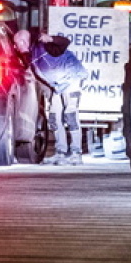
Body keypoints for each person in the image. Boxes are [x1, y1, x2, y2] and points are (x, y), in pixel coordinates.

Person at [30, 33, 88, 165]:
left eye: (22, 41)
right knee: (54, 117)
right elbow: (38, 75)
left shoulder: (44, 46)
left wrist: (50, 39)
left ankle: (76, 153)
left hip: (71, 79)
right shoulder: (31, 54)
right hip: (57, 86)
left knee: (70, 115)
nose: (19, 44)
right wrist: (49, 92)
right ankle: (60, 152)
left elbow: (65, 42)